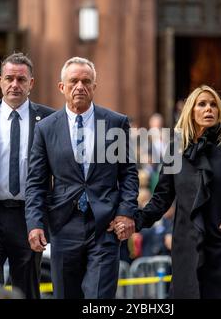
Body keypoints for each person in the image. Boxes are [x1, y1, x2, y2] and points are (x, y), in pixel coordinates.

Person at [116, 85, 221, 298]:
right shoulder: (176, 149)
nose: (208, 109)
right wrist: (135, 221)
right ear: (190, 111)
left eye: (213, 105)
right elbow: (161, 199)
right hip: (186, 247)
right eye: (201, 104)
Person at [25, 56, 139, 299]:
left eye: (86, 81)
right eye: (73, 81)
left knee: (99, 298)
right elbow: (36, 182)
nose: (80, 86)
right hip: (64, 225)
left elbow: (128, 173)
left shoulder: (115, 123)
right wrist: (35, 223)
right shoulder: (46, 128)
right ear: (62, 87)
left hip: (105, 226)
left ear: (94, 87)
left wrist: (126, 211)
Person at [0, 53, 54, 298]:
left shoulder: (50, 120)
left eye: (21, 79)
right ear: (1, 81)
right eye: (9, 78)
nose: (15, 85)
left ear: (31, 83)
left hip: (29, 217)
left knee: (27, 288)